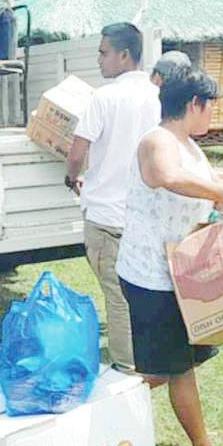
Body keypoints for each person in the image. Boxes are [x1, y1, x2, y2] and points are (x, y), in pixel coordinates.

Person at [116, 69, 223, 446]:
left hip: (178, 272)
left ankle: (105, 405)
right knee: (178, 367)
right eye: (211, 108)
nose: (212, 116)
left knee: (166, 365)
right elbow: (164, 177)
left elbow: (202, 197)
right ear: (194, 104)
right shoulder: (158, 141)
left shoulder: (189, 146)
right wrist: (219, 192)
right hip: (150, 275)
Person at [66, 23, 161, 372]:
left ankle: (127, 366)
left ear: (124, 55)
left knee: (118, 298)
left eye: (104, 52)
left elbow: (78, 151)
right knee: (143, 292)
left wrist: (71, 176)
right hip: (144, 216)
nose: (99, 59)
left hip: (106, 217)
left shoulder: (103, 97)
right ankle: (149, 355)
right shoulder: (157, 96)